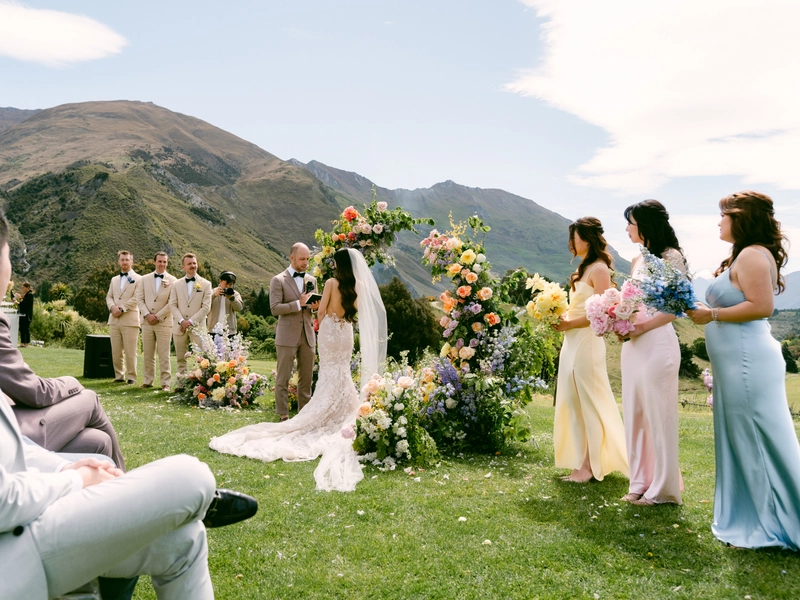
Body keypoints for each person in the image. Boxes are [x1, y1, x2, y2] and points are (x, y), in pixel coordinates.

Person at [0, 213, 258, 599]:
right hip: (16, 557)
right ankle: (191, 500)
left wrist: (73, 465)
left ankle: (128, 490)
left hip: (26, 525)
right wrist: (77, 479)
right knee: (192, 475)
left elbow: (16, 456)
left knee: (185, 539)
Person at [211, 248, 387, 492]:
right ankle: (344, 411)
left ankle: (319, 411)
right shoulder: (359, 286)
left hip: (328, 332)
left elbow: (322, 310)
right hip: (346, 333)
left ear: (339, 264)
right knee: (343, 372)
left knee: (328, 373)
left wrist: (320, 317)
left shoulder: (331, 283)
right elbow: (356, 312)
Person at [688, 191, 800, 550]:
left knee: (757, 438)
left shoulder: (752, 255)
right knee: (744, 438)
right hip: (737, 362)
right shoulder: (744, 254)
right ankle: (755, 517)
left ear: (741, 219)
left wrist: (712, 314)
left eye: (724, 215)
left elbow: (762, 306)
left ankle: (773, 524)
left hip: (748, 363)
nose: (719, 222)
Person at [552, 218, 628, 483]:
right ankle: (580, 463)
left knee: (587, 402)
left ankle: (588, 467)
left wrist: (570, 323)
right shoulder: (583, 269)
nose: (570, 243)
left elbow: (603, 313)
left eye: (573, 237)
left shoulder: (599, 269)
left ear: (586, 238)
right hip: (571, 341)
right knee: (573, 402)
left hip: (587, 341)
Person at [0, 310, 126, 470]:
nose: (11, 283)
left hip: (11, 424)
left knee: (100, 440)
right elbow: (35, 392)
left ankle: (109, 490)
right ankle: (127, 485)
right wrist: (71, 382)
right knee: (89, 399)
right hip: (11, 438)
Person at [620, 200, 686, 505]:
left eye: (630, 223)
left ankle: (663, 489)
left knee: (658, 415)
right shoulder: (637, 260)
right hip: (633, 345)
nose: (627, 229)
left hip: (657, 341)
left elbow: (676, 308)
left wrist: (644, 327)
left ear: (645, 225)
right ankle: (639, 482)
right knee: (635, 413)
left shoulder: (671, 258)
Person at [270, 243, 319, 421]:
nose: (306, 263)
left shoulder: (312, 280)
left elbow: (313, 309)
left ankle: (304, 415)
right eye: (302, 259)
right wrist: (299, 304)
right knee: (283, 377)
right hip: (286, 335)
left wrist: (314, 307)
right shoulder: (278, 280)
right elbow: (275, 309)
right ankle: (283, 414)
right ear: (292, 258)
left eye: (307, 259)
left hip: (307, 334)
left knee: (306, 378)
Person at [136, 252, 177, 392]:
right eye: (159, 261)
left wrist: (157, 316)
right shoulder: (144, 279)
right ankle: (148, 380)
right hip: (147, 322)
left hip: (164, 322)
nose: (162, 264)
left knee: (164, 354)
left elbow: (172, 302)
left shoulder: (173, 280)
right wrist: (147, 315)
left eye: (164, 262)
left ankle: (165, 383)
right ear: (154, 262)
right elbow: (139, 299)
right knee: (148, 353)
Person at [168, 253, 212, 379]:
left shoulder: (206, 284)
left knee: (200, 359)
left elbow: (206, 307)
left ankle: (198, 386)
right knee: (181, 359)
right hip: (179, 327)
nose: (193, 266)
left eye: (194, 263)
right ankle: (181, 384)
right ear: (183, 267)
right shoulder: (176, 284)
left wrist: (190, 321)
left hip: (197, 327)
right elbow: (172, 304)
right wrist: (182, 321)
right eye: (189, 264)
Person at [106, 251, 141, 384]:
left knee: (131, 351)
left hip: (130, 319)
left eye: (127, 260)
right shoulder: (114, 279)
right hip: (114, 320)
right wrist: (112, 307)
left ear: (132, 262)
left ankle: (131, 376)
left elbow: (137, 298)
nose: (125, 262)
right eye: (122, 260)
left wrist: (121, 308)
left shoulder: (139, 279)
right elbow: (109, 296)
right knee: (116, 351)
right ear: (119, 262)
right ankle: (119, 376)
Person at [207, 270, 243, 334]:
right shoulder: (211, 292)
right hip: (213, 330)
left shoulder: (235, 294)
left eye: (230, 284)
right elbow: (204, 306)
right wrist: (214, 296)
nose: (228, 286)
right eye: (226, 284)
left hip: (230, 331)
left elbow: (239, 308)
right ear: (220, 281)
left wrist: (231, 298)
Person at [16, 282, 33, 347]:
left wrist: (20, 298)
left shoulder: (30, 295)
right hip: (23, 314)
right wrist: (17, 302)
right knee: (22, 328)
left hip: (26, 315)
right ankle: (22, 342)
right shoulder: (26, 295)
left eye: (23, 287)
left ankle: (26, 343)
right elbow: (22, 304)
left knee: (26, 328)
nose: (22, 289)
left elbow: (26, 304)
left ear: (27, 288)